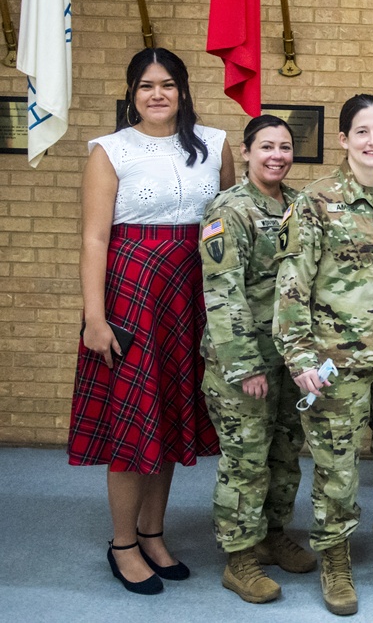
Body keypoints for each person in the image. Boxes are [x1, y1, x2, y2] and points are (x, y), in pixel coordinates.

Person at [69, 47, 235, 595]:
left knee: (165, 416)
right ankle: (122, 545)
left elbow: (228, 224)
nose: (157, 94)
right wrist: (96, 317)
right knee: (132, 419)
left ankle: (153, 532)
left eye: (166, 84)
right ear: (132, 94)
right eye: (145, 86)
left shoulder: (214, 145)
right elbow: (95, 238)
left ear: (183, 90)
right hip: (132, 295)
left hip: (192, 295)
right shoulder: (109, 151)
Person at [274, 94, 373, 616]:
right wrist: (299, 356)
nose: (372, 140)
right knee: (337, 467)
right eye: (361, 132)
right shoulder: (316, 202)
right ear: (344, 140)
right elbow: (292, 283)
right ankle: (336, 559)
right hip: (334, 362)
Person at [200, 115, 315, 604]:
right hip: (243, 362)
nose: (277, 155)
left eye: (285, 147)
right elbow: (223, 292)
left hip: (291, 357)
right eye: (266, 146)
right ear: (246, 153)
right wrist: (245, 364)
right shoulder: (228, 209)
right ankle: (240, 558)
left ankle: (271, 534)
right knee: (246, 459)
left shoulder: (299, 206)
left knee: (285, 453)